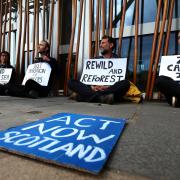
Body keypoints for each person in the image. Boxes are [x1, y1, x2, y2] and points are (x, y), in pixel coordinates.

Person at [68, 35, 131, 104]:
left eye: (103, 43)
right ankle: (101, 98)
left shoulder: (119, 61)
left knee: (126, 83)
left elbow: (123, 78)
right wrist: (92, 87)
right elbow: (86, 79)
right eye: (100, 43)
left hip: (109, 89)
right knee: (71, 82)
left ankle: (83, 97)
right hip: (94, 89)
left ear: (111, 45)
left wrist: (107, 87)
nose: (100, 45)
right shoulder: (95, 61)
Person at [157, 32, 180, 107]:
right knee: (161, 80)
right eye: (179, 38)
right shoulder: (174, 58)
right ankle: (176, 101)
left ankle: (176, 102)